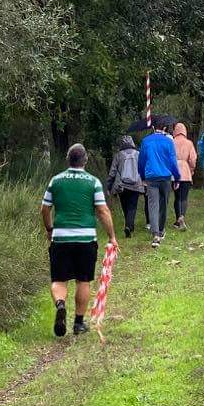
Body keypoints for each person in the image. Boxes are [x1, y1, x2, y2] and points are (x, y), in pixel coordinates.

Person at [41, 143, 117, 337]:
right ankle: (78, 323)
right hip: (85, 239)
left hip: (61, 239)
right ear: (85, 160)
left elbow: (45, 208)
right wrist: (111, 236)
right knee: (83, 280)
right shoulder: (93, 182)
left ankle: (60, 305)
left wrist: (50, 229)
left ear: (68, 159)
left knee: (59, 279)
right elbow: (102, 210)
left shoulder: (55, 181)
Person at [138, 123, 180, 248]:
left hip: (151, 177)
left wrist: (142, 176)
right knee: (164, 203)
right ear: (165, 128)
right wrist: (177, 177)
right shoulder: (168, 142)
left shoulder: (146, 141)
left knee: (153, 205)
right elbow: (173, 161)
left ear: (153, 128)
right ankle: (161, 230)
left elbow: (141, 161)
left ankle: (155, 233)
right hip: (165, 176)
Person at [107, 135, 145, 238]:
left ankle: (129, 225)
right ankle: (129, 226)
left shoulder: (118, 155)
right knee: (132, 206)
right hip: (135, 184)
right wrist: (144, 181)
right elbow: (143, 168)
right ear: (132, 143)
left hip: (121, 185)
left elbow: (113, 171)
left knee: (125, 206)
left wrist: (109, 185)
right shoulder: (138, 154)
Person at [172, 123, 197, 230]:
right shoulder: (189, 143)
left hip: (174, 172)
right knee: (184, 197)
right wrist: (191, 169)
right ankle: (182, 216)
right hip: (186, 171)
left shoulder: (171, 142)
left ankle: (178, 218)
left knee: (177, 197)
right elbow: (193, 159)